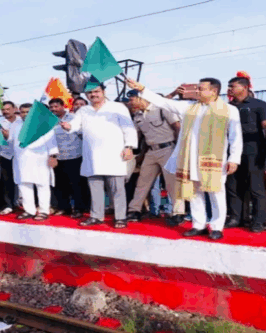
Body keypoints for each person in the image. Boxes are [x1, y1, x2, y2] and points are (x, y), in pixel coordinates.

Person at [126, 78, 242, 240]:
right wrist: (143, 89)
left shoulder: (229, 110)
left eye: (201, 89)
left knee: (216, 192)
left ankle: (216, 226)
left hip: (214, 159)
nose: (197, 92)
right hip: (190, 157)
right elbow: (163, 103)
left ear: (213, 91)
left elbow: (236, 136)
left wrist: (234, 158)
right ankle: (198, 224)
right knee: (194, 192)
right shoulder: (189, 108)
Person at [60, 83, 138, 228]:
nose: (93, 94)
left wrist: (129, 147)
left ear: (103, 92)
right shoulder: (84, 110)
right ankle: (96, 216)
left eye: (96, 91)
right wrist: (68, 126)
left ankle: (120, 217)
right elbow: (75, 125)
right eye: (89, 92)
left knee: (117, 189)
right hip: (92, 156)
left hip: (114, 154)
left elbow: (129, 128)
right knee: (95, 188)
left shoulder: (117, 107)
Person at [225, 76, 266, 233]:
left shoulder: (260, 105)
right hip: (231, 151)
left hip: (254, 149)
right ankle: (237, 217)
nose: (229, 89)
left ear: (244, 87)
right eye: (228, 86)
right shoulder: (227, 107)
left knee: (255, 186)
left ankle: (258, 221)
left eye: (232, 86)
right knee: (233, 185)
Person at [125, 90, 183, 223]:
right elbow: (137, 136)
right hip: (151, 152)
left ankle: (178, 213)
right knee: (142, 182)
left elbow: (178, 128)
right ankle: (134, 211)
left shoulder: (162, 109)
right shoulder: (138, 115)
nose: (130, 103)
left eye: (132, 99)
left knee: (172, 183)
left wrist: (179, 149)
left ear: (140, 98)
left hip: (168, 149)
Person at [8, 103, 59, 220]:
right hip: (21, 160)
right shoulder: (15, 125)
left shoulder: (43, 123)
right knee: (24, 185)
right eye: (22, 112)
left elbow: (52, 141)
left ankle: (44, 210)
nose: (25, 114)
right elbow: (11, 140)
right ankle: (29, 210)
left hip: (40, 160)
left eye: (28, 112)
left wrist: (53, 156)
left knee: (42, 185)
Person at [49, 98, 88, 217]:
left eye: (56, 107)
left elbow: (83, 135)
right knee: (60, 185)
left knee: (76, 184)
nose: (53, 109)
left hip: (75, 155)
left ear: (63, 106)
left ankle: (79, 209)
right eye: (51, 107)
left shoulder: (73, 118)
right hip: (58, 157)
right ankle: (64, 208)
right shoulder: (50, 121)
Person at [0, 101, 21, 215]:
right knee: (7, 181)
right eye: (3, 110)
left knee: (22, 180)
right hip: (6, 155)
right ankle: (8, 205)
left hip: (21, 156)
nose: (5, 112)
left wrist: (9, 136)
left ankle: (22, 203)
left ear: (14, 109)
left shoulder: (22, 122)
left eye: (8, 109)